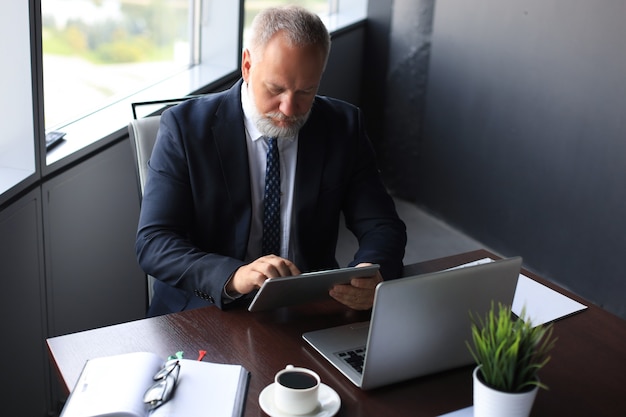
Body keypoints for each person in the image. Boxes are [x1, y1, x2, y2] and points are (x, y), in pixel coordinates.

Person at [136, 5, 407, 317]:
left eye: (306, 91)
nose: (290, 108)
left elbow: (382, 225)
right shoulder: (184, 128)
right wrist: (234, 276)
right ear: (248, 65)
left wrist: (371, 275)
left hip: (307, 307)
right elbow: (154, 242)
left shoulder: (343, 126)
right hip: (206, 310)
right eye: (276, 89)